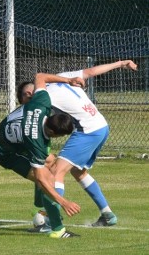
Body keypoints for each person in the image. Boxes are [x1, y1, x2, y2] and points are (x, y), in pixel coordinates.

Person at [17, 59, 138, 227]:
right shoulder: (62, 77)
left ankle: (52, 220)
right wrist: (120, 64)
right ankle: (107, 214)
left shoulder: (42, 99)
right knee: (78, 172)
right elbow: (91, 72)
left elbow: (40, 78)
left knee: (56, 172)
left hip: (87, 130)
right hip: (101, 126)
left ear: (30, 95)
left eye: (26, 101)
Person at [0, 72, 85, 238]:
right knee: (47, 180)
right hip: (6, 151)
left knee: (52, 164)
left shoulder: (42, 103)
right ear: (51, 131)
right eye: (60, 135)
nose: (60, 139)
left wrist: (69, 81)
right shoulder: (37, 144)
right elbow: (41, 178)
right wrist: (64, 202)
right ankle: (56, 229)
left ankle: (40, 210)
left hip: (15, 136)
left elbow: (40, 77)